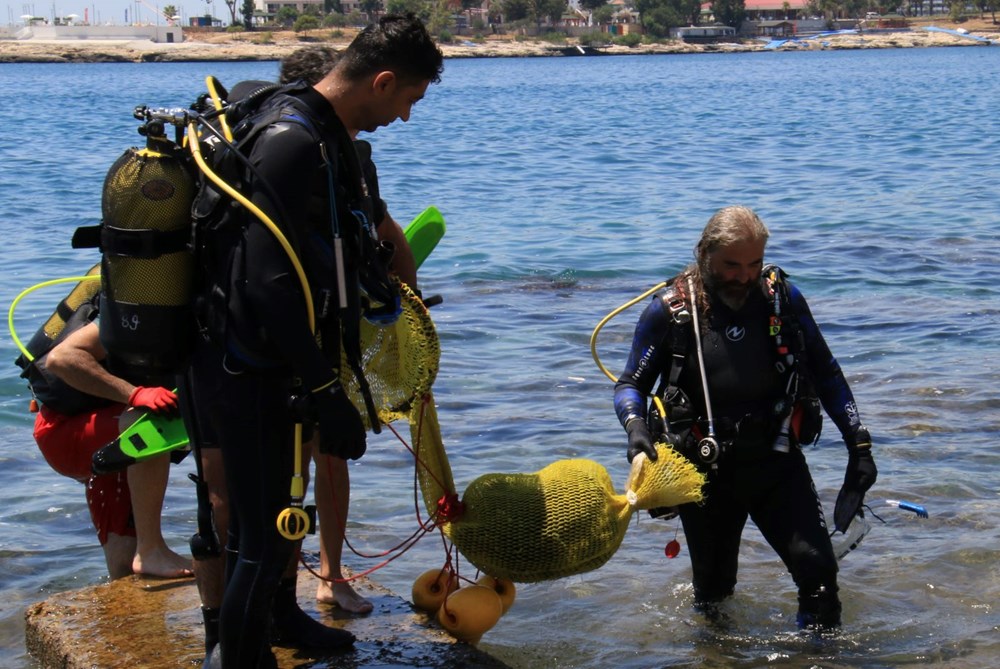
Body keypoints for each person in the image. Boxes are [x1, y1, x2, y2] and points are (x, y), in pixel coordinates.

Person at [185, 14, 442, 668]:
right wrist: (325, 389)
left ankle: (283, 618)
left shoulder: (320, 134)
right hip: (246, 369)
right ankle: (241, 659)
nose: (406, 118)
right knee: (261, 540)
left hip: (278, 368)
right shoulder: (291, 142)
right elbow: (264, 285)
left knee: (280, 519)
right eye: (408, 100)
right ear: (381, 81)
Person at [612, 205, 877, 630]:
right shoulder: (670, 312)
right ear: (703, 254)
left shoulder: (782, 300)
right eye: (731, 265)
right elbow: (630, 385)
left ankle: (823, 659)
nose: (744, 276)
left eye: (753, 264)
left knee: (819, 572)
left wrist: (859, 445)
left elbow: (827, 373)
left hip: (776, 460)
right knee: (714, 593)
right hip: (703, 470)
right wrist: (636, 426)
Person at [32, 318, 193, 580]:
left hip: (99, 427)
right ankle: (152, 549)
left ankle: (136, 583)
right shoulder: (146, 301)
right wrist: (134, 394)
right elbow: (60, 359)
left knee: (125, 566)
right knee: (150, 422)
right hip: (66, 431)